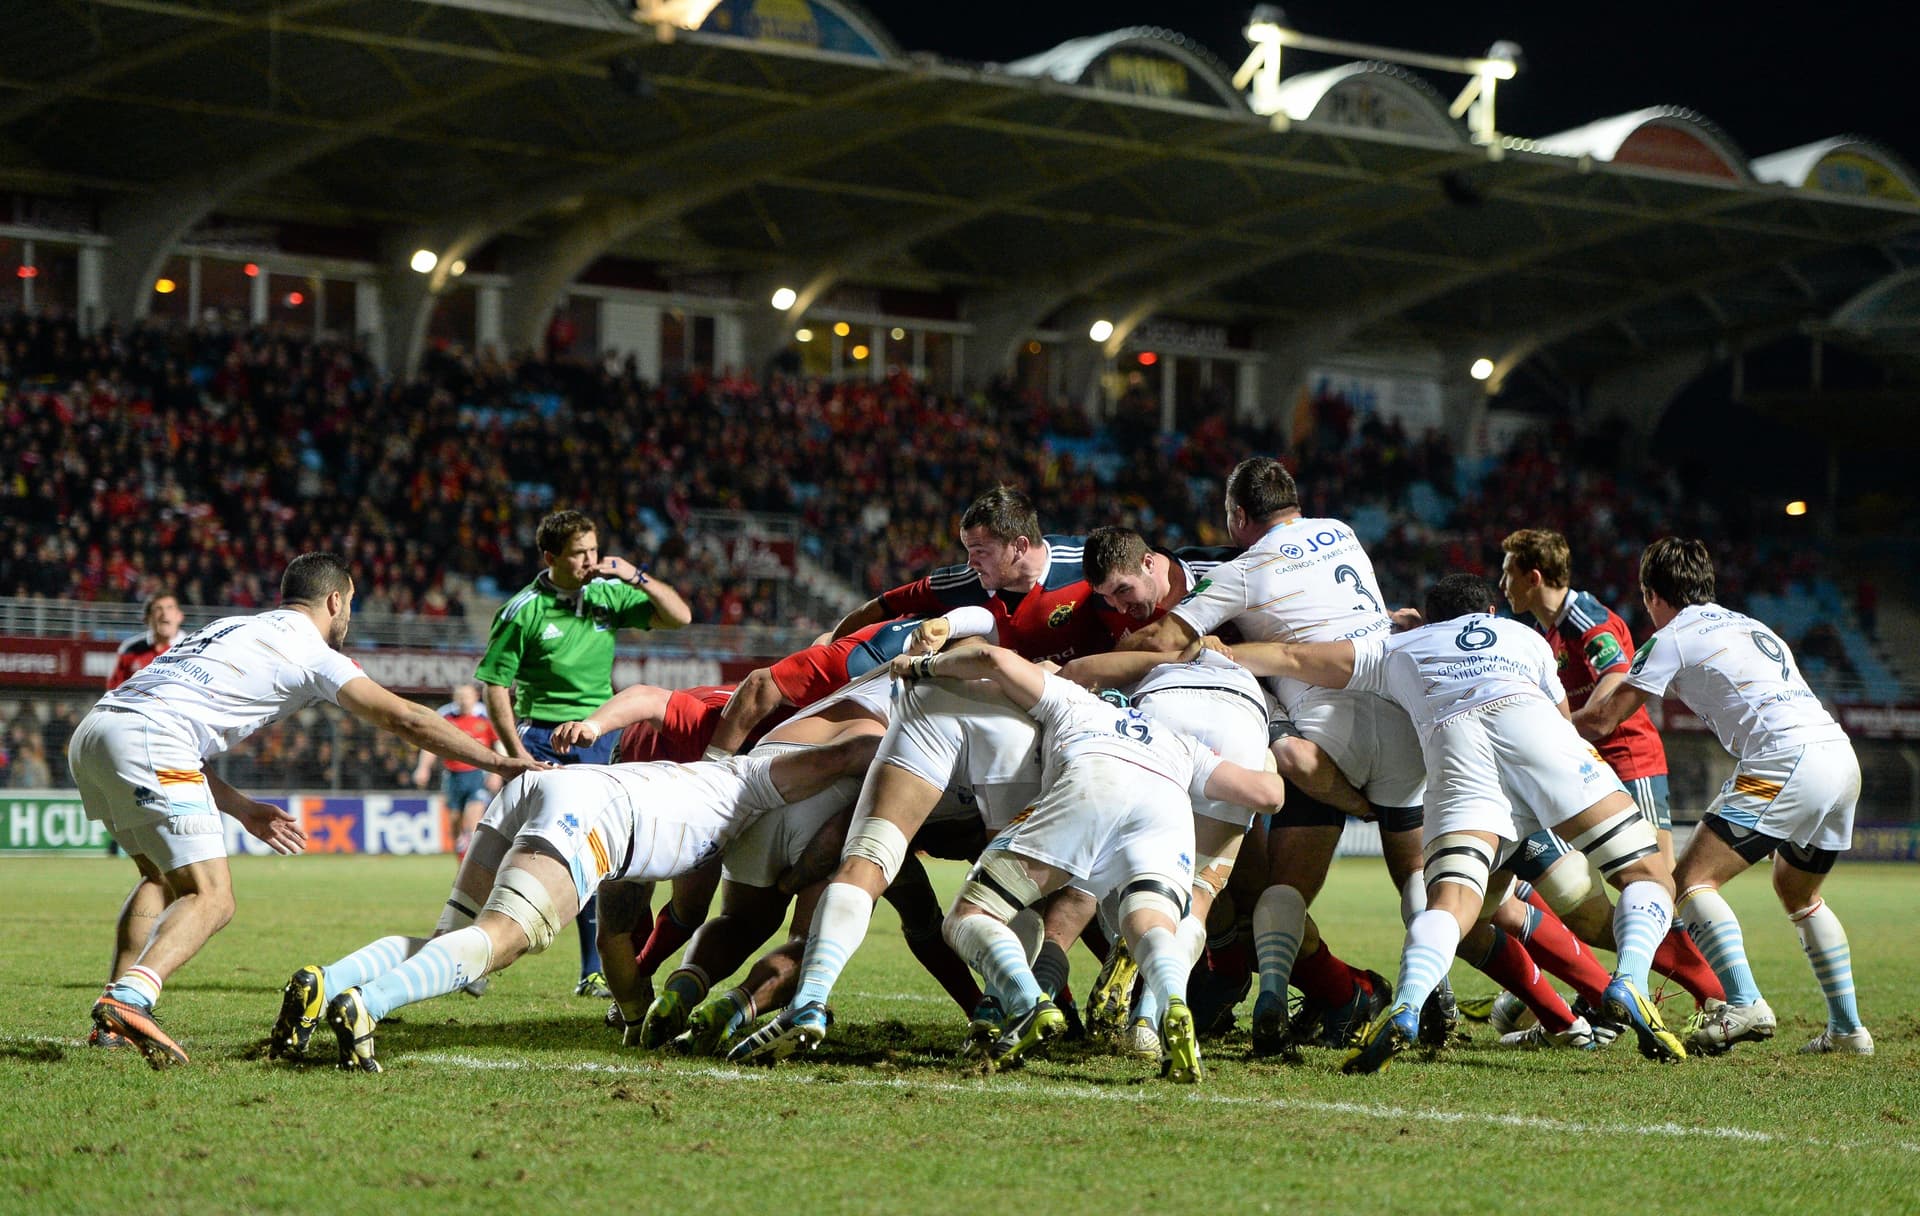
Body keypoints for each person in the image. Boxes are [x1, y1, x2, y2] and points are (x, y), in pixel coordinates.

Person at [72, 553, 545, 1068]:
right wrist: (502, 761)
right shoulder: (313, 651)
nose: (348, 620)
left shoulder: (233, 625)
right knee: (212, 898)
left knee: (159, 880)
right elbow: (406, 718)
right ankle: (130, 999)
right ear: (335, 600)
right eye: (350, 607)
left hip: (98, 729)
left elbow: (173, 715)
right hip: (153, 738)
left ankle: (112, 1026)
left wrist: (245, 809)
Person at [1217, 572, 1689, 1073]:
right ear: (1488, 611)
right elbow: (1559, 714)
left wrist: (1219, 651)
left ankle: (1408, 1002)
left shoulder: (1398, 647)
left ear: (1430, 616)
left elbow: (1293, 659)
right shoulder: (1524, 636)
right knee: (1644, 874)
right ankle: (1630, 978)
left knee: (1451, 902)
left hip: (1456, 751)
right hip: (1534, 730)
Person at [293, 733, 881, 1073]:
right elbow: (844, 755)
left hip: (547, 785)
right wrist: (913, 759)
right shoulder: (747, 782)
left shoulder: (680, 787)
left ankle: (326, 982)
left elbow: (613, 936)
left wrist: (632, 1020)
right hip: (591, 816)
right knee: (502, 940)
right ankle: (365, 1003)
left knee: (457, 950)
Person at [1117, 457, 1428, 1055]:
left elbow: (1168, 639)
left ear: (1238, 515)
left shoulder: (1243, 568)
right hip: (1397, 709)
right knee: (1413, 874)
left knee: (1276, 892)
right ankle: (1424, 993)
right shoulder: (1343, 531)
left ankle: (1271, 999)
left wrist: (1125, 650)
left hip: (1322, 734)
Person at [893, 643, 1288, 1081]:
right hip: (1165, 805)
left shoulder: (1074, 699)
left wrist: (921, 665)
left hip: (1094, 781)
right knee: (1152, 926)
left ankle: (1028, 1002)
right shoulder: (1180, 743)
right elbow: (1269, 796)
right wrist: (1270, 759)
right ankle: (1173, 1003)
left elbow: (992, 659)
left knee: (970, 915)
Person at [1577, 538, 1872, 1056]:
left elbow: (1603, 719)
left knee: (1689, 880)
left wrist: (1532, 727)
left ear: (1652, 595)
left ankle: (1744, 1002)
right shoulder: (1753, 625)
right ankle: (1848, 1031)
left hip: (1785, 761)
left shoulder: (1671, 637)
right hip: (1840, 758)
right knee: (1798, 893)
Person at [1496, 529, 1725, 1026]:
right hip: (1581, 770)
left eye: (1507, 570)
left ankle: (1717, 995)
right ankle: (1603, 985)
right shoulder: (1549, 633)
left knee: (1654, 887)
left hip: (1627, 761)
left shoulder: (1585, 619)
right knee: (1573, 883)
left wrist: (1556, 731)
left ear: (1532, 577)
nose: (1501, 582)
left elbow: (1616, 681)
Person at [475, 508, 692, 998]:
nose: (591, 561)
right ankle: (473, 955)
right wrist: (513, 756)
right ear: (551, 557)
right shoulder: (522, 610)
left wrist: (633, 575)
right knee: (513, 849)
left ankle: (593, 971)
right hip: (539, 741)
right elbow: (494, 688)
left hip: (599, 741)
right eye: (580, 554)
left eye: (595, 551)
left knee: (597, 859)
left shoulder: (608, 595)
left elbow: (680, 616)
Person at [411, 683, 500, 861]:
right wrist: (423, 768)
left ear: (475, 697)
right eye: (460, 697)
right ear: (454, 698)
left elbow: (498, 743)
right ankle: (462, 856)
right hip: (452, 774)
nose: (463, 701)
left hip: (477, 774)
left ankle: (472, 863)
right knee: (454, 821)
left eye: (467, 697)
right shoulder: (445, 715)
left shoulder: (485, 715)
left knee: (473, 820)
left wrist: (496, 773)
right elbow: (431, 744)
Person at [107, 592, 185, 690]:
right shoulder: (130, 648)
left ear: (180, 616)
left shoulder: (193, 649)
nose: (164, 613)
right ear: (147, 619)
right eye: (158, 608)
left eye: (170, 607)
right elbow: (114, 690)